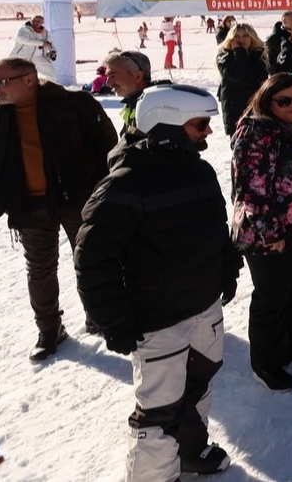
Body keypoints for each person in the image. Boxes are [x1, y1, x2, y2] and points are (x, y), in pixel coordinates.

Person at [74, 85, 242, 479]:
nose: (208, 132)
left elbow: (216, 230)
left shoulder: (199, 170)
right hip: (159, 319)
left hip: (204, 306)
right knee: (158, 410)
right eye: (199, 124)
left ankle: (189, 452)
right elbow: (93, 259)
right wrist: (113, 320)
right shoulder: (125, 184)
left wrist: (227, 270)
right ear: (167, 124)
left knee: (198, 383)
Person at [0, 57, 117, 361]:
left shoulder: (73, 104)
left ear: (28, 79)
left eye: (1, 82)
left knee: (90, 259)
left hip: (76, 199)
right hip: (29, 204)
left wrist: (98, 191)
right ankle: (50, 330)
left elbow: (106, 145)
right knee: (39, 269)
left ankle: (98, 316)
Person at [230, 74, 292, 391]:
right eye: (283, 101)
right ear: (267, 100)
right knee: (272, 298)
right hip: (270, 233)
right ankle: (267, 363)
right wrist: (272, 232)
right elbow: (251, 191)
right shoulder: (255, 132)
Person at [216, 22, 268, 136]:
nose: (241, 40)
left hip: (256, 108)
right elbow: (235, 76)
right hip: (236, 111)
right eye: (237, 37)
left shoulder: (258, 55)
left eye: (245, 36)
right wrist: (239, 52)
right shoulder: (224, 56)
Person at [104, 49, 158, 132]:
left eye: (113, 76)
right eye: (107, 77)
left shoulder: (157, 107)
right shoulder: (133, 103)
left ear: (138, 76)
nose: (108, 83)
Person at [8, 15, 56, 80]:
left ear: (43, 22)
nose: (36, 23)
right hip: (22, 56)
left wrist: (52, 50)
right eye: (34, 21)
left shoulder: (45, 32)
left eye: (38, 21)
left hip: (37, 56)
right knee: (15, 75)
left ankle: (55, 86)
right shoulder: (24, 29)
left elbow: (49, 43)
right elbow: (22, 39)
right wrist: (41, 43)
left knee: (51, 72)